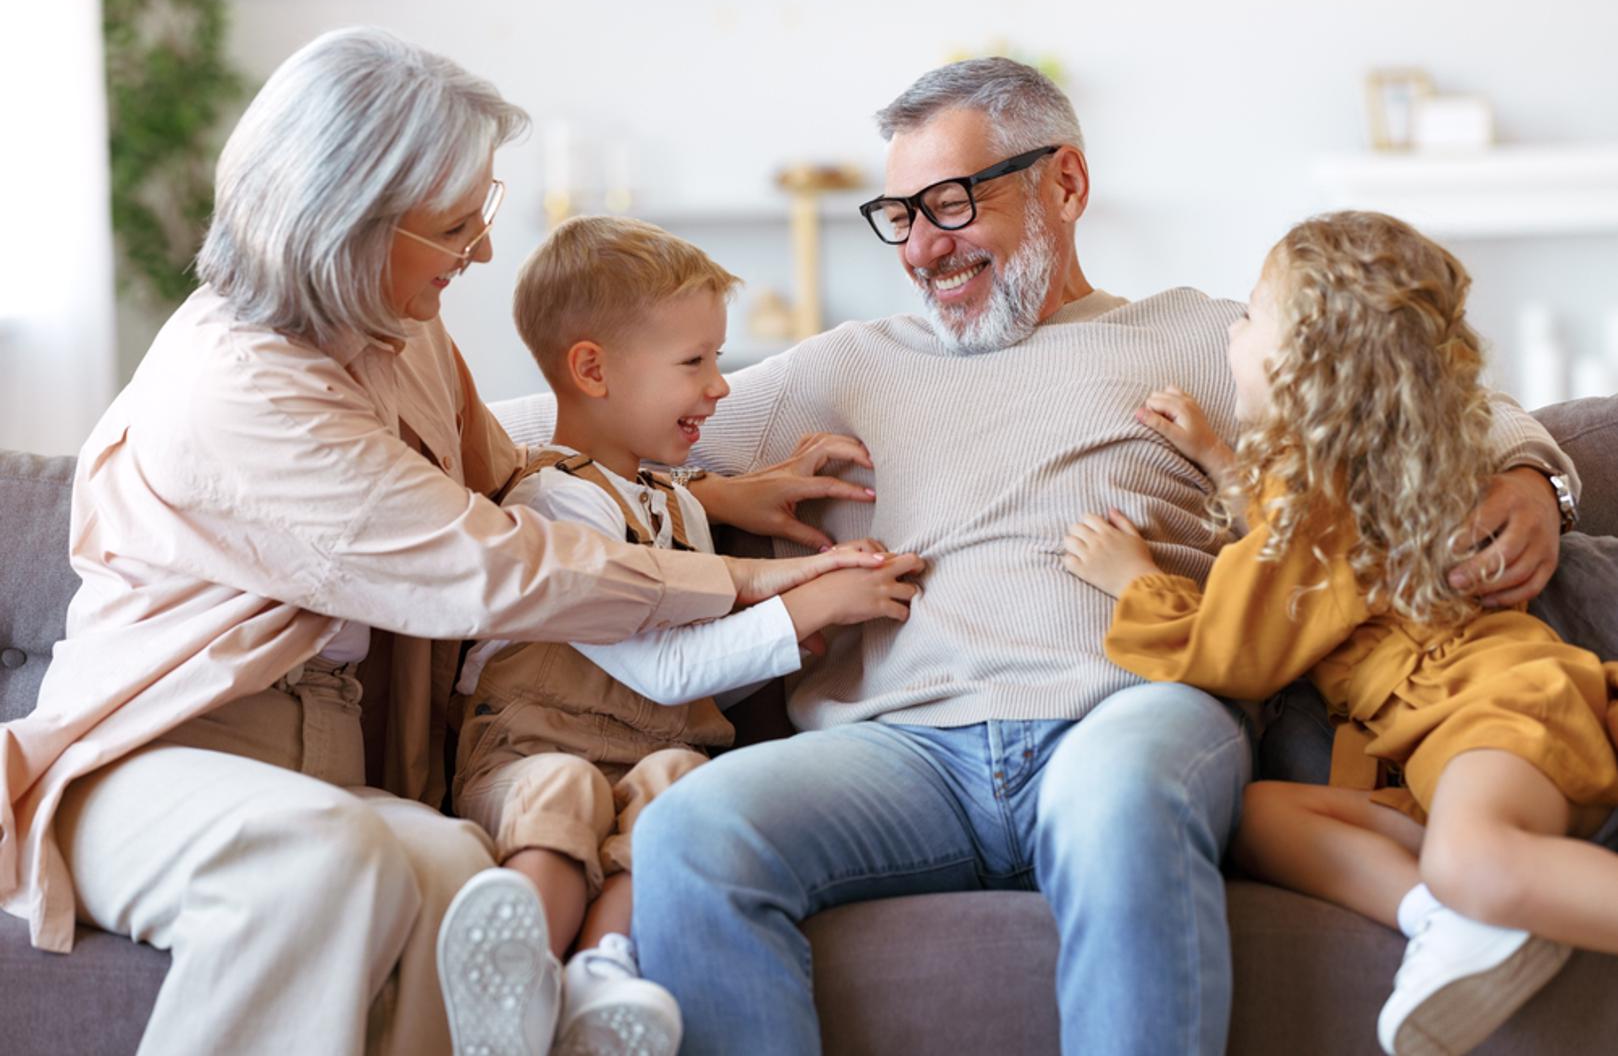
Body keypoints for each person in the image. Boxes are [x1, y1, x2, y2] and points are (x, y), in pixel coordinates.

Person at [502, 59, 1579, 1053]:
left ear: (1064, 183)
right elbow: (564, 424)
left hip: (1124, 716)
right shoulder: (844, 365)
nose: (921, 248)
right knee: (693, 831)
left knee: (1119, 798)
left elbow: (1409, 389)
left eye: (950, 204)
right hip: (905, 753)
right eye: (899, 216)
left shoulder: (1202, 337)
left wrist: (1534, 477)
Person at [0, 28, 878, 1056]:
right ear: (350, 223)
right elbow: (494, 561)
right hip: (160, 756)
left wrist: (716, 494)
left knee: (461, 872)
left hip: (327, 767)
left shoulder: (401, 330)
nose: (485, 253)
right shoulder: (240, 393)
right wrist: (741, 583)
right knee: (321, 864)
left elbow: (507, 475)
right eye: (457, 227)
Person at [1062, 210, 1618, 1056]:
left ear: (1303, 368)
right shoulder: (1336, 485)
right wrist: (1219, 459)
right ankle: (1444, 920)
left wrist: (1134, 580)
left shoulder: (1315, 502)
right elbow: (1297, 558)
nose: (1232, 330)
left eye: (1251, 314)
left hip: (1494, 712)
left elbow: (1235, 651)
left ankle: (1465, 890)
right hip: (1440, 744)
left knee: (1471, 860)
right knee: (1260, 817)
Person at [440, 216, 921, 1056]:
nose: (720, 387)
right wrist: (806, 608)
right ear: (593, 370)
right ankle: (511, 989)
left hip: (645, 754)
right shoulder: (555, 505)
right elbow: (658, 668)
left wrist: (784, 652)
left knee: (682, 786)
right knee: (567, 788)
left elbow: (691, 684)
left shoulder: (679, 506)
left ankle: (600, 977)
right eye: (694, 362)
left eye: (718, 358)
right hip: (530, 754)